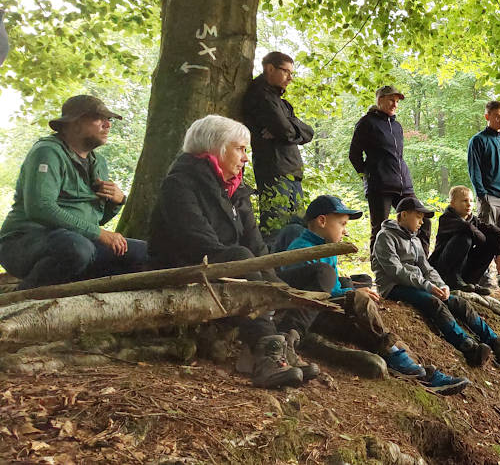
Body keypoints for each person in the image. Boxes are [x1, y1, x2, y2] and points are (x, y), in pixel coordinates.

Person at [148, 114, 321, 390]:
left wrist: (275, 286)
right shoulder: (180, 183)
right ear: (216, 147)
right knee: (240, 256)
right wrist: (257, 277)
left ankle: (278, 346)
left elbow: (257, 246)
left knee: (272, 266)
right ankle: (264, 355)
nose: (245, 158)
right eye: (240, 149)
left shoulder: (235, 188)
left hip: (226, 263)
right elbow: (197, 241)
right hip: (182, 266)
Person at [277, 195, 469, 395]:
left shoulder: (326, 248)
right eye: (342, 224)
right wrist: (352, 292)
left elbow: (331, 287)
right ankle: (405, 363)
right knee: (360, 300)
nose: (345, 230)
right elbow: (320, 290)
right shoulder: (302, 250)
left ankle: (424, 372)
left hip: (326, 308)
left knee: (375, 322)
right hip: (313, 316)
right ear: (322, 221)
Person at [0, 95, 147, 290]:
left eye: (109, 120)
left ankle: (80, 298)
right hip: (25, 241)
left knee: (145, 254)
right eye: (99, 118)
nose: (107, 125)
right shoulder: (47, 153)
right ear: (74, 123)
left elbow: (95, 219)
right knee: (77, 249)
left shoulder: (98, 162)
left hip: (77, 241)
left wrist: (117, 201)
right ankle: (22, 299)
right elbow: (40, 208)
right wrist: (98, 233)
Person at [372, 197, 500, 367]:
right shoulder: (385, 236)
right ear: (402, 215)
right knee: (434, 302)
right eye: (418, 216)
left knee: (459, 302)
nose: (422, 222)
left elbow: (426, 268)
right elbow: (396, 271)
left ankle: (497, 344)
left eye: (423, 218)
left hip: (417, 284)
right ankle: (469, 348)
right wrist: (427, 286)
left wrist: (441, 284)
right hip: (393, 287)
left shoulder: (414, 239)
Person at [349, 85, 431, 254]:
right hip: (380, 185)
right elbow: (354, 154)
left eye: (397, 101)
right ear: (380, 100)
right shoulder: (366, 123)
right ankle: (379, 271)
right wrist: (367, 175)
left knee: (424, 221)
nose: (395, 104)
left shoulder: (397, 126)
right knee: (380, 229)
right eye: (391, 100)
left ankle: (421, 264)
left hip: (404, 184)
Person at [242, 51, 314, 233]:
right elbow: (285, 129)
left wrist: (288, 129)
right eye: (286, 72)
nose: (290, 78)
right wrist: (288, 130)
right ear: (270, 68)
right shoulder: (260, 95)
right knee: (275, 229)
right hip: (274, 172)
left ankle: (292, 263)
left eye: (292, 73)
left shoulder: (280, 101)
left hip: (291, 171)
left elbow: (309, 132)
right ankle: (272, 263)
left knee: (296, 229)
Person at [467, 101, 500, 287]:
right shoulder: (478, 141)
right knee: (485, 237)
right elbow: (475, 170)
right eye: (497, 116)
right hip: (489, 197)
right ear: (487, 117)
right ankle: (483, 276)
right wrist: (482, 194)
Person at [429, 186, 500, 296]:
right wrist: (484, 239)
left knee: (491, 243)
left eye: (471, 201)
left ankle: (471, 282)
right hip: (443, 268)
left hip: (463, 269)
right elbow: (468, 228)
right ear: (452, 203)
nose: (469, 204)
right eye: (464, 201)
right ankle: (453, 281)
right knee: (465, 238)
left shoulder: (473, 220)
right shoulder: (447, 218)